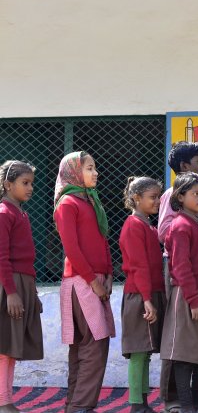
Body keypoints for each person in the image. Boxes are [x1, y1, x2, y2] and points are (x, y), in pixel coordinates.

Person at [53, 152, 115, 413]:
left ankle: (74, 405)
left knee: (84, 347)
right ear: (74, 172)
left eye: (95, 168)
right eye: (90, 168)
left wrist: (109, 274)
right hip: (81, 281)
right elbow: (72, 248)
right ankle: (81, 406)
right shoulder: (68, 203)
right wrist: (93, 281)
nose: (96, 173)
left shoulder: (91, 201)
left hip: (96, 279)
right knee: (94, 343)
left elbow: (102, 241)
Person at [160, 173, 198, 413]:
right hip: (188, 295)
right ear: (180, 196)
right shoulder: (181, 226)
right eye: (195, 194)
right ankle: (186, 404)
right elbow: (181, 267)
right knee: (185, 353)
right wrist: (194, 301)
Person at [0, 161, 43, 413]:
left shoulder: (20, 213)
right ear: (7, 185)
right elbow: (1, 257)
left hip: (23, 284)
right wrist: (12, 293)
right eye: (24, 183)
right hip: (9, 286)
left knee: (12, 347)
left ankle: (6, 401)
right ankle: (4, 402)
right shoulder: (4, 213)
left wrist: (32, 292)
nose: (30, 188)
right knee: (4, 346)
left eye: (31, 183)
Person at [120, 176, 165, 413]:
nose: (157, 201)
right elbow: (138, 266)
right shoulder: (133, 226)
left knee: (146, 350)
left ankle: (143, 401)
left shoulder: (148, 225)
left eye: (158, 197)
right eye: (152, 197)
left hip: (149, 294)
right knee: (139, 350)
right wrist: (147, 299)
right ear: (137, 199)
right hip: (139, 296)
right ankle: (136, 403)